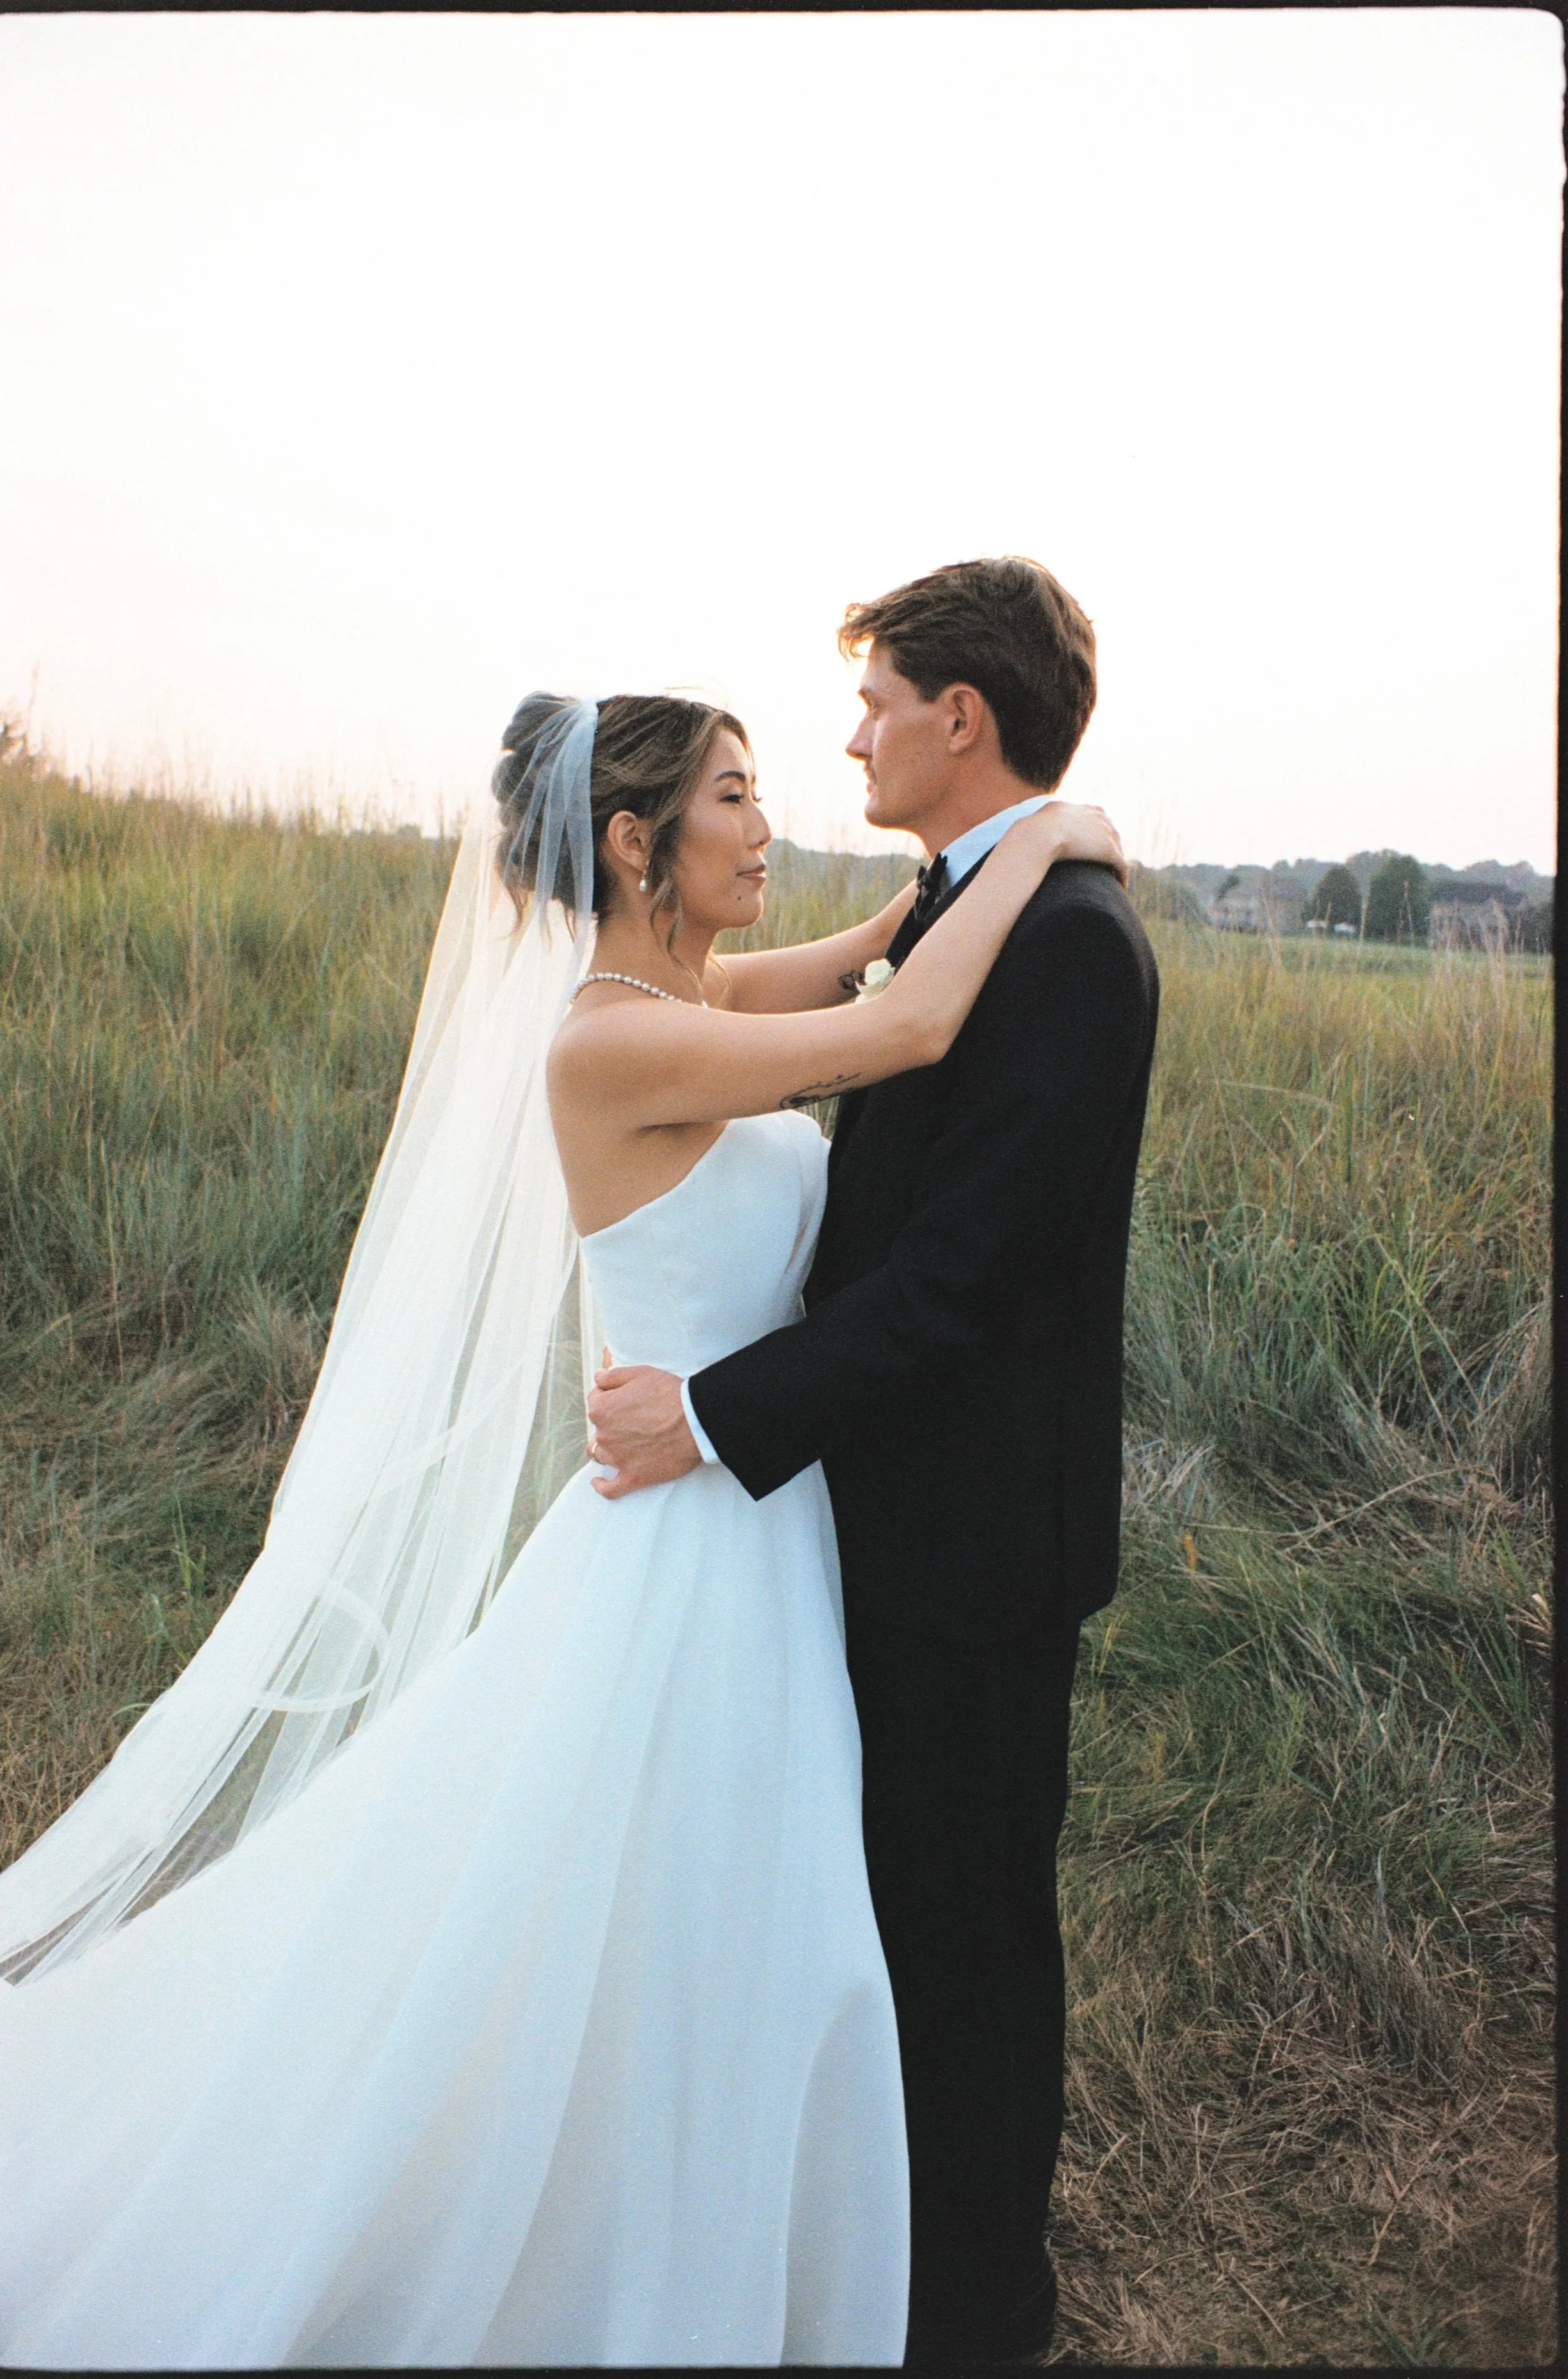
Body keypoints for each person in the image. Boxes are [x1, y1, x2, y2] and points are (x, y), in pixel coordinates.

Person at [0, 682, 1124, 2370]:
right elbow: (901, 1029)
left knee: (731, 1904)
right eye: (732, 794)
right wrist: (1047, 840)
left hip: (750, 1511)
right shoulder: (613, 1041)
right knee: (679, 1902)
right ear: (631, 839)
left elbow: (877, 954)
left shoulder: (684, 993)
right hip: (686, 1544)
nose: (765, 817)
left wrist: (954, 877)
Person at [588, 558, 1161, 2367]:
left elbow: (958, 1283)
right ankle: (858, 2235)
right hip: (875, 1513)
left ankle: (984, 2311)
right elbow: (879, 1033)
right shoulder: (958, 907)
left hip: (977, 1530)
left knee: (970, 1924)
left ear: (957, 718)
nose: (851, 732)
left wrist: (718, 1412)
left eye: (872, 702)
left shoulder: (1064, 943)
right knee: (887, 1907)